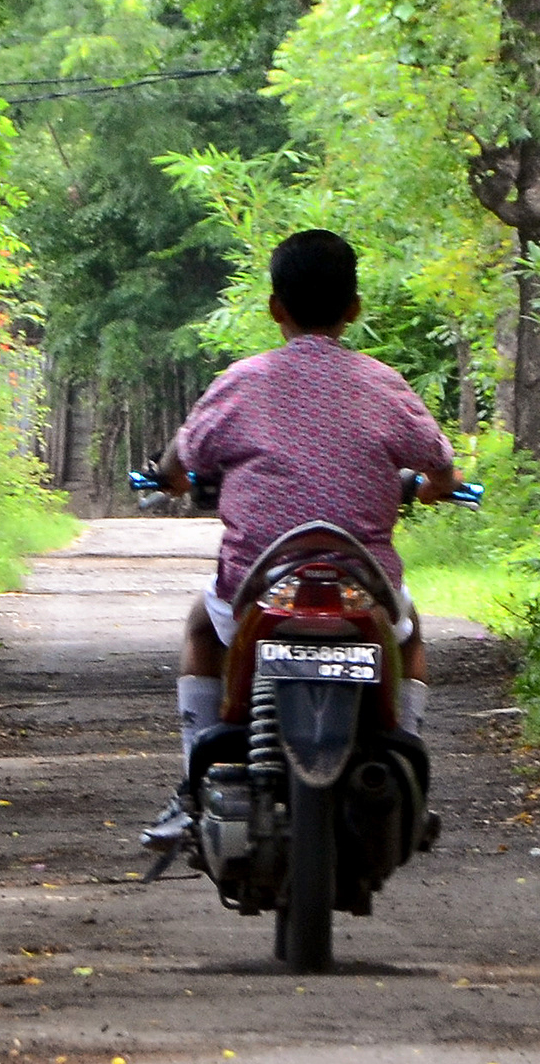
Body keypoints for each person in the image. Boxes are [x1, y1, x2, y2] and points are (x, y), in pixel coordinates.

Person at [139, 229, 467, 851]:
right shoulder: (384, 385)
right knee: (413, 632)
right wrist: (434, 487)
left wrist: (173, 476)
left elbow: (185, 456)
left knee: (200, 630)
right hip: (361, 590)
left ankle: (191, 784)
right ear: (353, 308)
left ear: (275, 308)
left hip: (255, 589)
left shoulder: (241, 382)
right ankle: (409, 760)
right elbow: (439, 468)